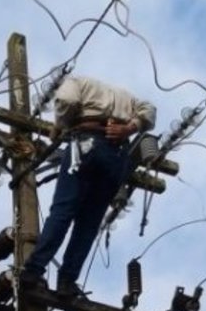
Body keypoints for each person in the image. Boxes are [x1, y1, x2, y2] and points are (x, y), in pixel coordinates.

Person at [20, 75, 156, 297]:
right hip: (116, 156)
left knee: (63, 211)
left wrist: (60, 124)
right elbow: (149, 111)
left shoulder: (76, 82)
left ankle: (33, 271)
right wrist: (129, 128)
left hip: (86, 145)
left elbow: (67, 101)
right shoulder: (127, 97)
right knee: (88, 224)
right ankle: (66, 282)